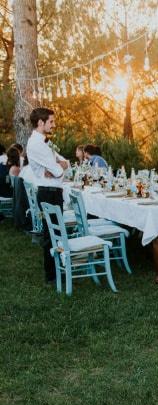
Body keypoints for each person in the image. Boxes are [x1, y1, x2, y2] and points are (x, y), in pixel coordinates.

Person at [27, 107, 70, 283]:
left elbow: (65, 163)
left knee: (54, 233)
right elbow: (59, 170)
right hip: (48, 194)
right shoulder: (36, 144)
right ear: (40, 123)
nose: (54, 124)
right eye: (51, 121)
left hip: (52, 192)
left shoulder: (44, 142)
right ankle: (52, 275)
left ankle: (56, 272)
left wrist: (58, 166)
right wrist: (57, 167)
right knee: (51, 234)